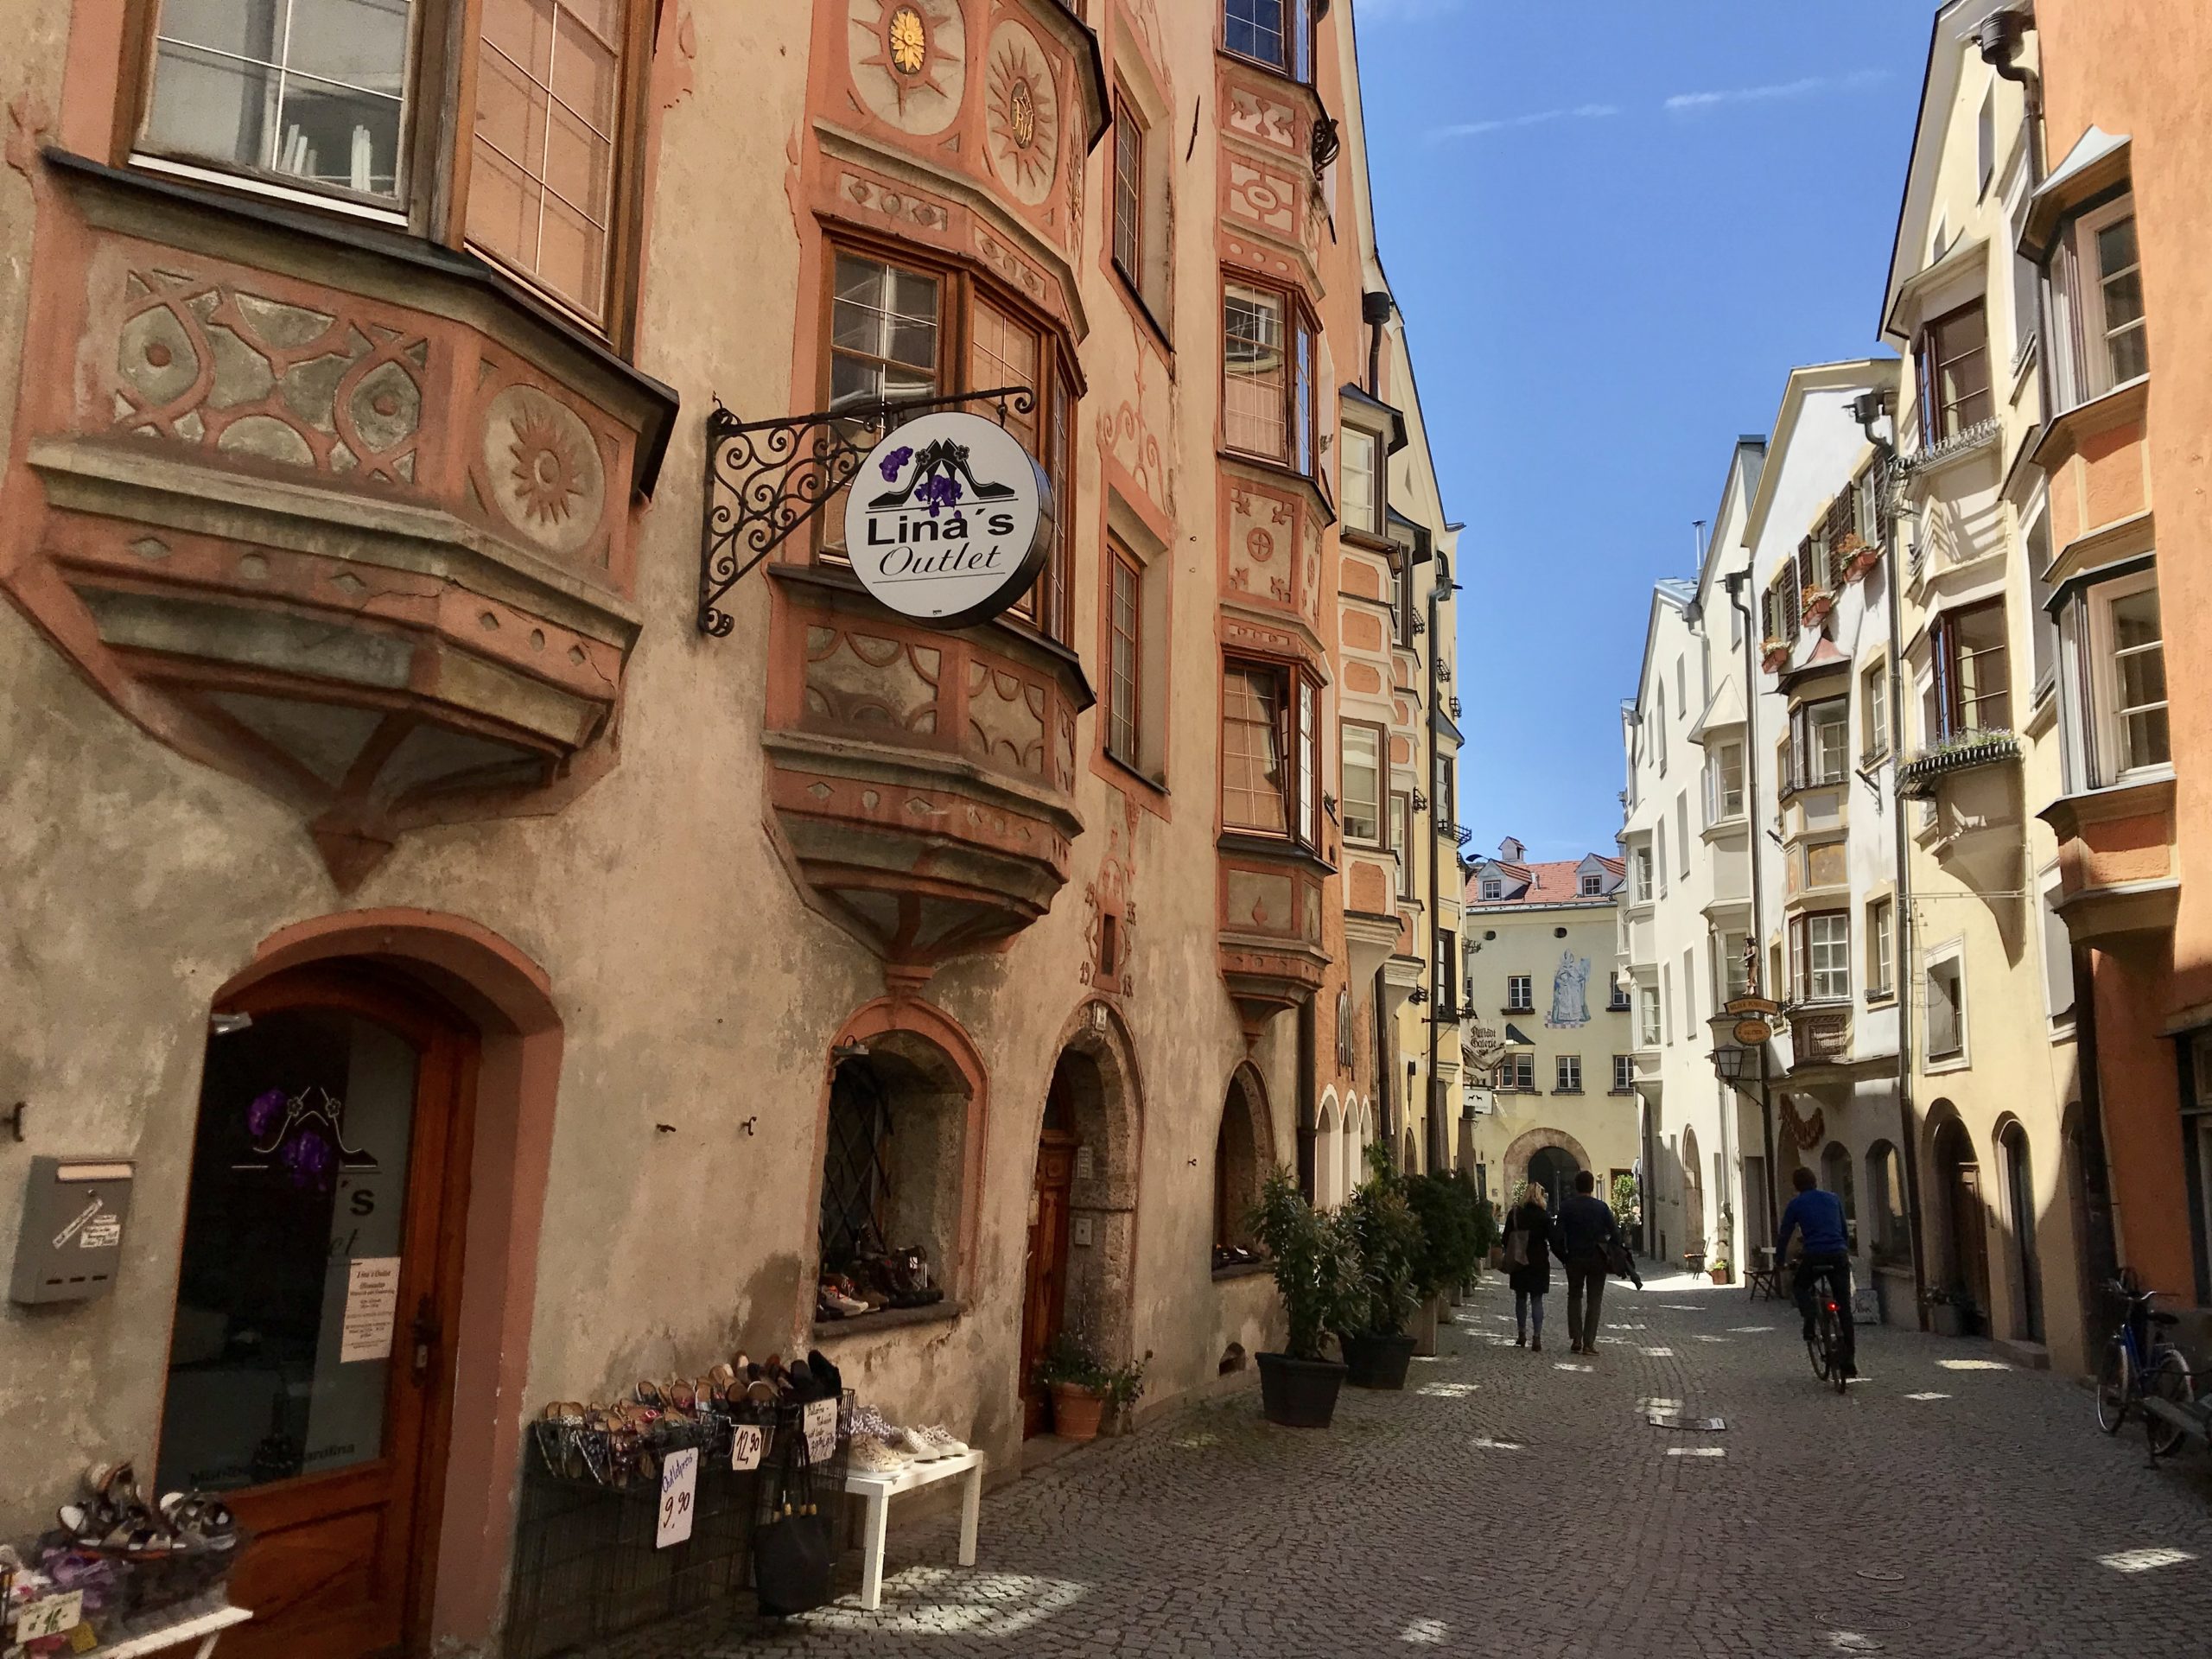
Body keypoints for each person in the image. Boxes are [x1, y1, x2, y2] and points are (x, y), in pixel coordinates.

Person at [1776, 1166, 1856, 1376]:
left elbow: (1785, 1234)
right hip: (1838, 1255)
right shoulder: (1833, 1198)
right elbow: (1844, 1230)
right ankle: (1849, 1361)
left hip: (1815, 1255)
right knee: (1844, 1307)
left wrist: (1779, 1260)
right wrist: (1843, 1251)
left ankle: (1810, 1315)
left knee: (1800, 1286)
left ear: (1796, 1186)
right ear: (1815, 1181)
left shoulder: (1796, 1204)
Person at [1553, 1170, 1622, 1357]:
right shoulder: (1602, 1208)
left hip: (1574, 1258)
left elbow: (1556, 1237)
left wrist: (1563, 1257)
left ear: (1576, 1186)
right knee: (1594, 1301)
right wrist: (1610, 1251)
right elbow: (1616, 1234)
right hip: (1597, 1259)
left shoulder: (1567, 1207)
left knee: (1574, 1296)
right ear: (1592, 1186)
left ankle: (1576, 1338)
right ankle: (1589, 1343)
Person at [1503, 1185, 1554, 1351]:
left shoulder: (1515, 1214)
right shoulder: (1544, 1216)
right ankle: (1537, 1337)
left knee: (1520, 1298)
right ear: (1541, 1197)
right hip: (1538, 1261)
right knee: (1537, 1300)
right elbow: (1553, 1239)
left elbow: (1505, 1239)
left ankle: (1521, 1334)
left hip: (1519, 1260)